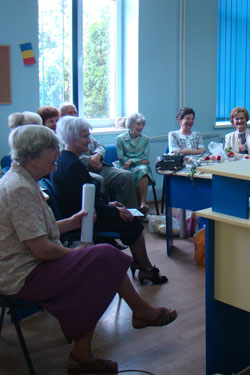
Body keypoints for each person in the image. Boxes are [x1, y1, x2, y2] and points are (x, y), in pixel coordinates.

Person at [0, 125, 176, 374]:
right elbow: (41, 250)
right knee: (102, 257)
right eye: (52, 149)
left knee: (100, 263)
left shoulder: (24, 181)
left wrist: (71, 222)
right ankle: (138, 314)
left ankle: (86, 352)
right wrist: (77, 255)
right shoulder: (20, 189)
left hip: (30, 266)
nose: (58, 155)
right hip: (21, 276)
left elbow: (38, 231)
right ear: (32, 155)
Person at [51, 116, 167, 285]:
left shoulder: (63, 160)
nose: (89, 140)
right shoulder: (73, 166)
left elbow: (84, 198)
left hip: (82, 211)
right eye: (84, 136)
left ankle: (140, 264)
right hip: (83, 218)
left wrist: (109, 204)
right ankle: (146, 269)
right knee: (132, 223)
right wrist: (113, 210)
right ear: (71, 138)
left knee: (127, 216)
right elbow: (86, 205)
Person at [60, 103, 139, 209]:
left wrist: (97, 155)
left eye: (75, 112)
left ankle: (132, 212)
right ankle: (105, 210)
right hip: (85, 168)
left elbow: (100, 146)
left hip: (99, 165)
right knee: (98, 180)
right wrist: (90, 161)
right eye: (70, 113)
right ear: (62, 116)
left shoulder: (82, 128)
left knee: (126, 175)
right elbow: (67, 154)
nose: (74, 114)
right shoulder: (63, 134)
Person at [116, 113, 155, 215]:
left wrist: (131, 160)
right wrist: (134, 161)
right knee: (142, 171)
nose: (141, 127)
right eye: (138, 124)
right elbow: (121, 157)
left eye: (142, 125)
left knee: (143, 170)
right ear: (131, 124)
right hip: (125, 167)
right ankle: (141, 206)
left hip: (139, 167)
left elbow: (145, 158)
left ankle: (141, 204)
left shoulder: (145, 139)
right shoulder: (120, 138)